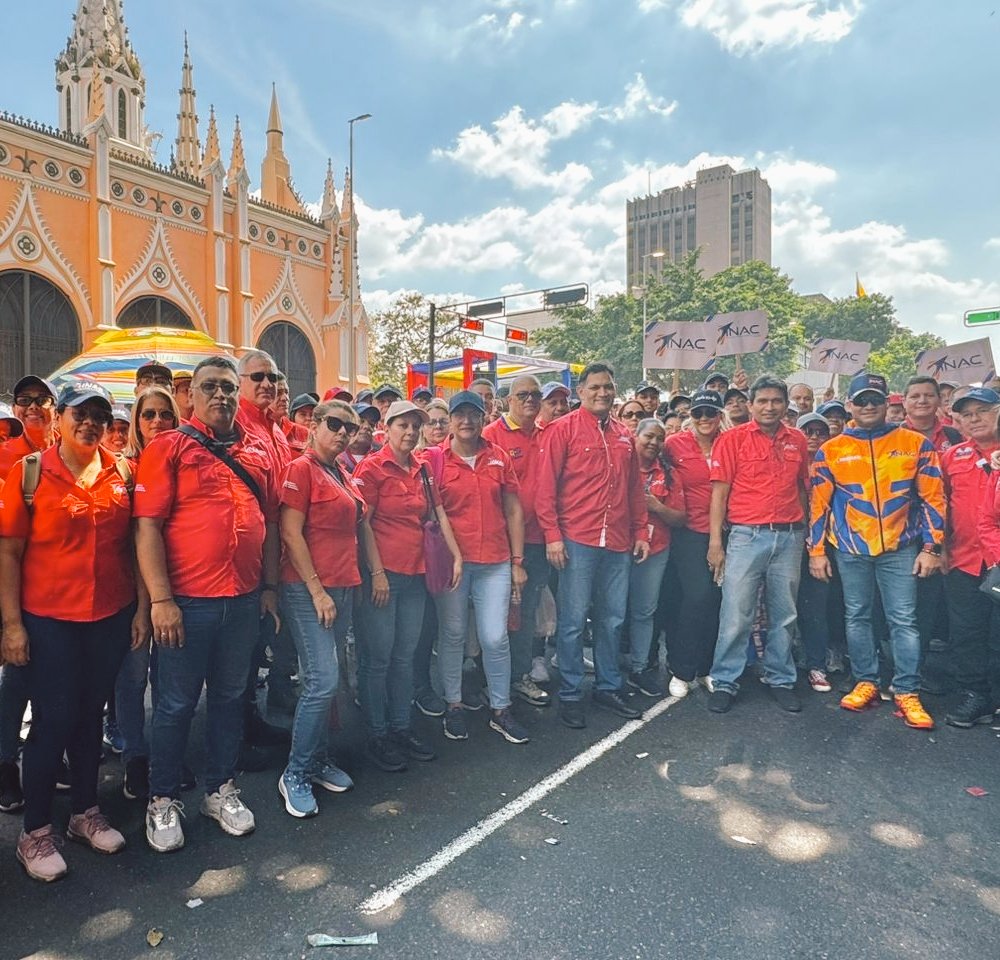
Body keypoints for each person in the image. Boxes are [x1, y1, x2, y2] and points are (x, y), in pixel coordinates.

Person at [135, 356, 280, 852]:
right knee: (174, 705)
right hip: (187, 604)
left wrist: (269, 587)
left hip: (242, 601)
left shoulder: (257, 449)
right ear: (189, 397)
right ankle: (162, 798)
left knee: (228, 698)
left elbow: (273, 523)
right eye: (210, 387)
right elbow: (147, 526)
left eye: (228, 387)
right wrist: (160, 599)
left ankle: (220, 788)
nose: (220, 395)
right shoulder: (168, 448)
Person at [1, 382, 142, 881]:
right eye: (81, 412)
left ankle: (84, 812)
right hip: (49, 621)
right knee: (53, 721)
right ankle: (35, 831)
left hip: (108, 616)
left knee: (89, 718)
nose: (91, 423)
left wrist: (141, 612)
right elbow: (10, 552)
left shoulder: (123, 471)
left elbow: (133, 548)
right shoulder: (30, 473)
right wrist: (12, 625)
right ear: (59, 417)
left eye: (101, 415)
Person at [808, 373, 943, 730]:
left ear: (887, 404)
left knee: (904, 620)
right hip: (851, 548)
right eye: (861, 401)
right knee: (857, 615)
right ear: (850, 404)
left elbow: (933, 499)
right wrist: (816, 551)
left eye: (875, 400)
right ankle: (865, 680)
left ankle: (907, 690)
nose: (868, 406)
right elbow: (818, 506)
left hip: (901, 548)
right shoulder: (831, 449)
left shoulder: (916, 444)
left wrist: (932, 547)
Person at [536, 362, 649, 728]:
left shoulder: (622, 435)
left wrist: (641, 532)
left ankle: (607, 685)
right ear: (580, 392)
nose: (603, 393)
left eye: (609, 387)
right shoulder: (561, 430)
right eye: (595, 387)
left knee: (613, 619)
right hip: (577, 539)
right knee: (571, 622)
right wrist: (553, 536)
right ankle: (570, 693)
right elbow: (545, 489)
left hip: (617, 541)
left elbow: (635, 490)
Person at [354, 401, 461, 771]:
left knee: (404, 657)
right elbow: (363, 524)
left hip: (416, 577)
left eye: (416, 426)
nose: (411, 432)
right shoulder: (371, 468)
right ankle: (377, 733)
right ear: (387, 426)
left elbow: (434, 514)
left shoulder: (423, 468)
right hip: (384, 579)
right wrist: (378, 573)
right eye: (403, 425)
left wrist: (454, 554)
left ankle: (400, 727)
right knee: (378, 658)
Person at [276, 400, 362, 817]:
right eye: (334, 424)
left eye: (350, 426)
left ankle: (317, 758)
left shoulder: (341, 472)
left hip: (342, 587)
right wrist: (317, 591)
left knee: (328, 681)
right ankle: (295, 772)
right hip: (309, 590)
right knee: (322, 681)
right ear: (313, 425)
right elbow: (291, 534)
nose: (343, 432)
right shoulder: (301, 469)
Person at [706, 376, 810, 714]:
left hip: (790, 536)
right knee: (736, 612)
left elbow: (803, 490)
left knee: (785, 613)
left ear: (785, 405)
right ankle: (724, 680)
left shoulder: (797, 439)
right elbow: (719, 494)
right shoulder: (731, 440)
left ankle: (780, 678)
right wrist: (715, 543)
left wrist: (806, 532)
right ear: (750, 405)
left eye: (776, 401)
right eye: (762, 401)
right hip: (746, 536)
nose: (769, 407)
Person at [434, 390, 529, 743]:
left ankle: (501, 709)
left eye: (473, 414)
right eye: (460, 414)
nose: (467, 421)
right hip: (454, 564)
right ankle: (454, 705)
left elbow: (514, 510)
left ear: (484, 416)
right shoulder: (436, 460)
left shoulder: (498, 457)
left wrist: (517, 561)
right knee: (453, 635)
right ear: (451, 419)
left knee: (494, 636)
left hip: (494, 561)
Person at [113, 387, 180, 801]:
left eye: (165, 415)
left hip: (180, 586)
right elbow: (132, 541)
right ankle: (135, 756)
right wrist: (144, 605)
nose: (157, 421)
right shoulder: (125, 469)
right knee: (133, 678)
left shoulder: (185, 461)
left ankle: (167, 756)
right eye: (148, 414)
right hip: (136, 592)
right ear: (137, 422)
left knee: (170, 679)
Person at [0, 376, 58, 816]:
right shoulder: (8, 457)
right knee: (15, 683)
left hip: (57, 596)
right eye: (24, 401)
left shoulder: (68, 452)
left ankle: (46, 760)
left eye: (41, 400)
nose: (33, 408)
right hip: (14, 589)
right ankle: (5, 766)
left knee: (52, 685)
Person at [235, 350, 296, 730]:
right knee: (243, 652)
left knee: (264, 640)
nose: (267, 385)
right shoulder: (235, 423)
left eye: (272, 378)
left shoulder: (274, 427)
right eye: (258, 377)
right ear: (241, 382)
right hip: (248, 557)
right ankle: (241, 728)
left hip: (277, 552)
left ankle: (256, 714)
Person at [483, 376, 551, 708]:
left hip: (538, 540)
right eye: (522, 395)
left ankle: (518, 675)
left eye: (536, 395)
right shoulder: (490, 436)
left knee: (524, 609)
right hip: (500, 543)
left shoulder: (546, 434)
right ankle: (491, 679)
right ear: (507, 400)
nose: (530, 400)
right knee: (496, 614)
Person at [663, 390, 726, 697]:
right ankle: (681, 668)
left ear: (720, 415)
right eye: (698, 413)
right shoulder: (674, 444)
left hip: (726, 531)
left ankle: (706, 668)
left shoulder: (730, 443)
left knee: (716, 600)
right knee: (695, 597)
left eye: (710, 413)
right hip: (688, 532)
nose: (704, 419)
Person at [943, 388, 1000, 727]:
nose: (974, 419)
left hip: (999, 560)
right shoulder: (953, 456)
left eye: (982, 411)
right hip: (964, 559)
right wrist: (941, 547)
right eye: (967, 414)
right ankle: (974, 695)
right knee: (966, 632)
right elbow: (941, 504)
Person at [627, 418, 685, 697]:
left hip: (656, 549)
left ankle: (639, 667)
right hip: (618, 546)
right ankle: (611, 669)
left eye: (659, 438)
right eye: (648, 436)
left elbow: (679, 517)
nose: (653, 443)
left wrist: (657, 506)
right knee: (611, 611)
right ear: (634, 436)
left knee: (644, 610)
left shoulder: (669, 474)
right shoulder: (619, 464)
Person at [411, 397, 452, 717]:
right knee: (423, 625)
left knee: (449, 625)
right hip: (426, 553)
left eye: (443, 420)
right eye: (431, 421)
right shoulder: (414, 460)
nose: (438, 426)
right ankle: (419, 684)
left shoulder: (462, 453)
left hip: (458, 550)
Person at [794, 412, 834, 692]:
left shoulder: (834, 464)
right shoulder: (788, 462)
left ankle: (817, 664)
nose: (814, 436)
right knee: (781, 608)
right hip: (789, 541)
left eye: (821, 431)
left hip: (825, 545)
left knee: (816, 607)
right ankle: (779, 661)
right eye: (808, 430)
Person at [902, 376, 962, 453]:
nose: (922, 401)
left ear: (939, 400)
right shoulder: (892, 435)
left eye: (929, 396)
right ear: (904, 402)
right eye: (915, 397)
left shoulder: (954, 435)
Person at [338, 403, 381, 474]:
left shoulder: (380, 455)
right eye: (361, 421)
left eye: (371, 424)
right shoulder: (335, 454)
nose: (367, 426)